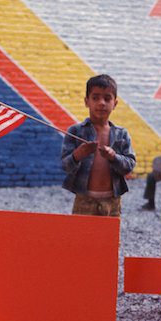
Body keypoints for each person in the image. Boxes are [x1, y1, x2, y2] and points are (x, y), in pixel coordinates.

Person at [60, 74, 136, 216]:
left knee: (109, 237)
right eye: (95, 98)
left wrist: (114, 157)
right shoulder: (76, 131)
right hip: (84, 199)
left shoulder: (121, 134)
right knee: (82, 236)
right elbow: (65, 166)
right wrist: (78, 155)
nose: (101, 103)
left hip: (112, 200)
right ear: (86, 101)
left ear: (115, 103)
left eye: (107, 98)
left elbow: (130, 165)